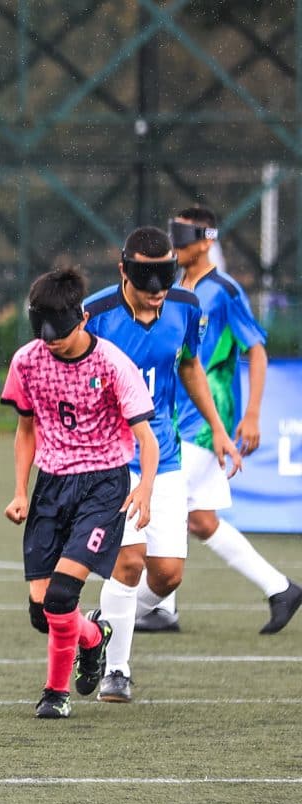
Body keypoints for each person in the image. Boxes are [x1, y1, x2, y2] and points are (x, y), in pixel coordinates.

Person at [84, 226, 242, 703]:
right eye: (145, 290)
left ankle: (101, 623)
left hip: (166, 456)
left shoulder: (187, 307)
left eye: (162, 289)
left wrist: (216, 427)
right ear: (123, 273)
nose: (156, 299)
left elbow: (190, 366)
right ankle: (117, 671)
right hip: (111, 457)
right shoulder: (93, 315)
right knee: (129, 561)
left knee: (168, 574)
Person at [133, 208, 301, 634]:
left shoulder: (224, 291)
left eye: (184, 235)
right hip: (175, 416)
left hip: (209, 422)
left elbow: (256, 349)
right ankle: (279, 588)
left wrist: (252, 415)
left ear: (207, 240)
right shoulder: (171, 289)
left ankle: (143, 608)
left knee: (159, 502)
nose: (176, 242)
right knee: (200, 520)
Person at [1, 266, 158, 719]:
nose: (51, 340)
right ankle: (94, 637)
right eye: (43, 331)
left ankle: (55, 693)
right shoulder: (27, 361)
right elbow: (25, 429)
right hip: (51, 486)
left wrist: (145, 485)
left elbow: (145, 437)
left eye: (60, 331)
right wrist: (19, 491)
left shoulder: (111, 363)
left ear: (82, 318)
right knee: (41, 613)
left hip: (103, 484)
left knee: (61, 598)